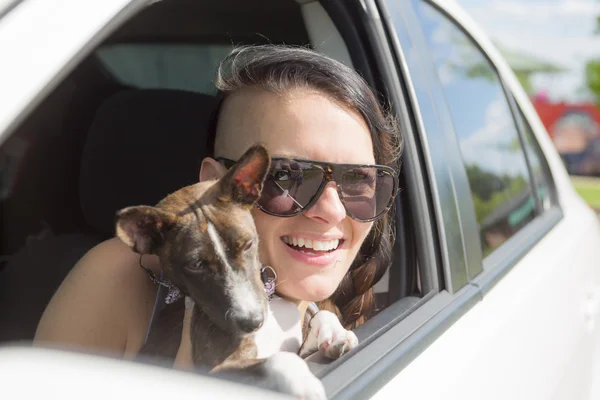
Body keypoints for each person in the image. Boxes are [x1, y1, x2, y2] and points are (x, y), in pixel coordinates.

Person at [34, 44, 403, 365]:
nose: (332, 210)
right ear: (216, 184)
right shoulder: (123, 276)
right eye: (287, 176)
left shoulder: (329, 320)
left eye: (358, 180)